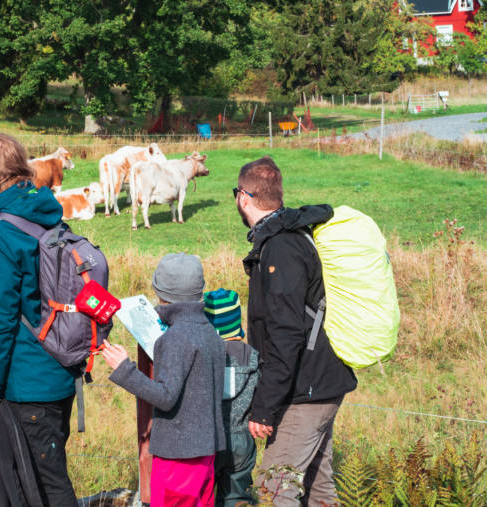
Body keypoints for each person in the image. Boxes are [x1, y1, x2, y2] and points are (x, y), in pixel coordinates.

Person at [234, 156, 357, 506]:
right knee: (318, 489)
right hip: (320, 381)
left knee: (275, 491)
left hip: (306, 391)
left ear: (243, 197)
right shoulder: (290, 235)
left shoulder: (281, 247)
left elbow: (286, 334)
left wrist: (263, 407)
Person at [0, 133, 78, 506]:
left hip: (28, 380)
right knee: (36, 483)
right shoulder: (46, 211)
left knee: (46, 484)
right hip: (60, 366)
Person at [102, 253, 226, 507]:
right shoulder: (210, 332)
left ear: (159, 290)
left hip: (178, 453)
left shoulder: (175, 338)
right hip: (206, 449)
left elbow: (165, 397)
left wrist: (124, 369)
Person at [203, 288, 259, 506]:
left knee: (202, 494)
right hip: (241, 437)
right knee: (236, 498)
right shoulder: (251, 355)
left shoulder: (204, 355)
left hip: (209, 439)